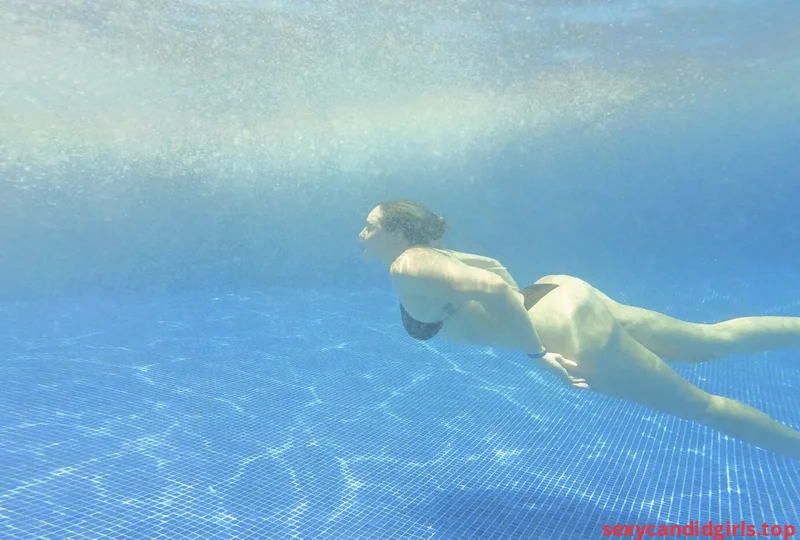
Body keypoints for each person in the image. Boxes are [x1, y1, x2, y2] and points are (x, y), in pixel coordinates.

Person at [358, 200, 800, 460]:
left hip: (566, 330)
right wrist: (516, 313)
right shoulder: (438, 255)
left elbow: (493, 288)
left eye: (370, 226)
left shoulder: (407, 264)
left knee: (703, 407)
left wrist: (535, 352)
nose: (361, 234)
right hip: (561, 291)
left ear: (396, 233)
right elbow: (498, 273)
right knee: (711, 339)